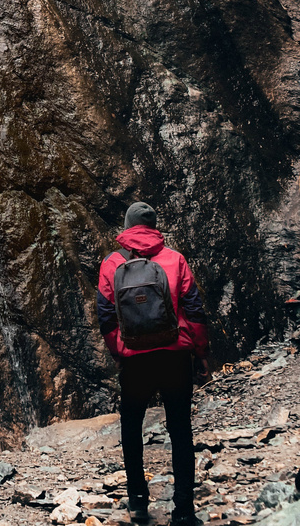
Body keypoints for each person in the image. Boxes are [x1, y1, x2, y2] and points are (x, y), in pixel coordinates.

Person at [97, 202, 210, 526]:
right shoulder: (174, 260)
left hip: (134, 361)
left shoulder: (112, 263)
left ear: (128, 226)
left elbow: (105, 316)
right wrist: (200, 353)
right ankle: (184, 511)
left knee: (131, 429)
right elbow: (195, 310)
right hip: (174, 356)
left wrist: (120, 351)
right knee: (181, 431)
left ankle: (138, 503)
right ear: (155, 226)